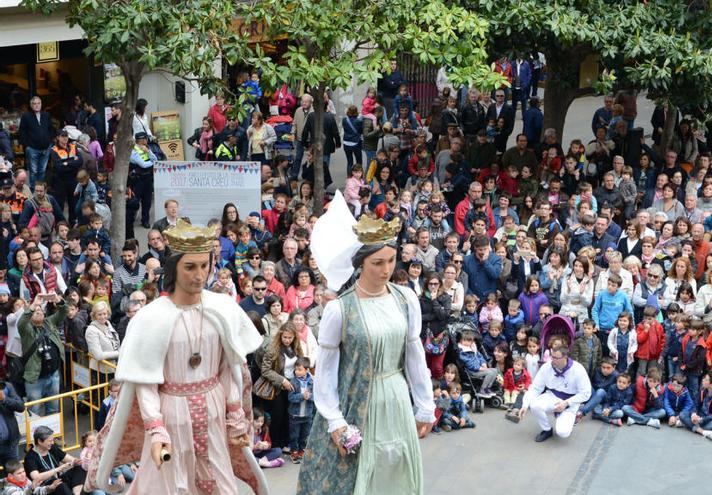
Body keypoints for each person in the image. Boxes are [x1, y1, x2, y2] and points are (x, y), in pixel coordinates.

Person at [85, 221, 267, 494]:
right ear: (173, 267)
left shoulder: (223, 308)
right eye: (190, 267)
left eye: (204, 266)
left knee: (220, 482)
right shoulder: (151, 317)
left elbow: (230, 367)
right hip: (171, 414)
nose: (199, 275)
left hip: (213, 410)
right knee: (171, 484)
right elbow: (144, 381)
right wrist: (156, 428)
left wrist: (235, 413)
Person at [297, 209, 433, 495]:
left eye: (391, 261)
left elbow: (414, 356)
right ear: (360, 264)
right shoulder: (339, 309)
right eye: (377, 263)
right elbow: (326, 371)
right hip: (358, 402)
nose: (386, 270)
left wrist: (424, 405)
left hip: (396, 398)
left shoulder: (405, 299)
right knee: (362, 474)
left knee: (395, 467)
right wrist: (334, 419)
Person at [518, 343, 591, 441]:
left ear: (565, 357)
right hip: (552, 396)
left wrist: (566, 403)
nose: (553, 360)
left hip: (570, 401)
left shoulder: (578, 369)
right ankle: (547, 429)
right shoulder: (546, 367)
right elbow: (535, 388)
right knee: (534, 405)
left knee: (563, 433)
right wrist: (525, 405)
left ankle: (567, 416)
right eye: (552, 357)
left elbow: (586, 393)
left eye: (556, 358)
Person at [18, 97, 54, 188]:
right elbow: (22, 132)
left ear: (41, 104)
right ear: (31, 105)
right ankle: (33, 192)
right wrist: (26, 146)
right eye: (34, 103)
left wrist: (49, 142)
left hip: (45, 148)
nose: (37, 105)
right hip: (32, 149)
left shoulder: (46, 115)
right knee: (33, 171)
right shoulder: (26, 116)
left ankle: (40, 190)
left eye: (38, 103)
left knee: (42, 171)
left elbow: (51, 129)